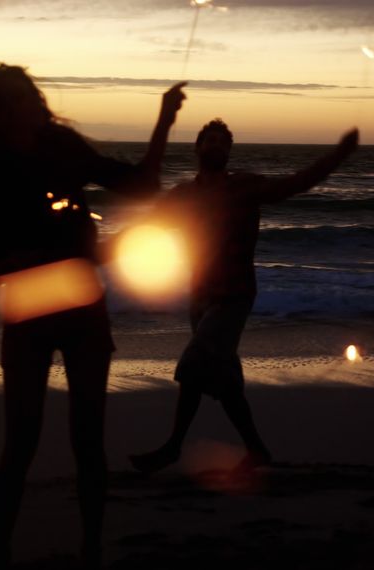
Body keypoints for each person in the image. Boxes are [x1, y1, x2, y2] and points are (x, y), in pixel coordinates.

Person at [0, 63, 185, 568]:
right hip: (30, 315)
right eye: (22, 98)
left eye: (34, 94)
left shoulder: (62, 150)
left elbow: (142, 186)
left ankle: (90, 549)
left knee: (89, 437)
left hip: (83, 312)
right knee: (22, 439)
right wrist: (98, 255)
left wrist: (164, 121)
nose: (36, 104)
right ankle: (1, 551)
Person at [127, 119, 359, 475]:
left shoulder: (244, 187)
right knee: (226, 382)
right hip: (200, 299)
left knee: (193, 364)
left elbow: (293, 184)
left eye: (223, 141)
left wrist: (337, 157)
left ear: (229, 151)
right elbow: (144, 227)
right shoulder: (183, 194)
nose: (216, 145)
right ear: (198, 147)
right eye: (210, 140)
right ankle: (257, 450)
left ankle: (173, 447)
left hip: (233, 297)